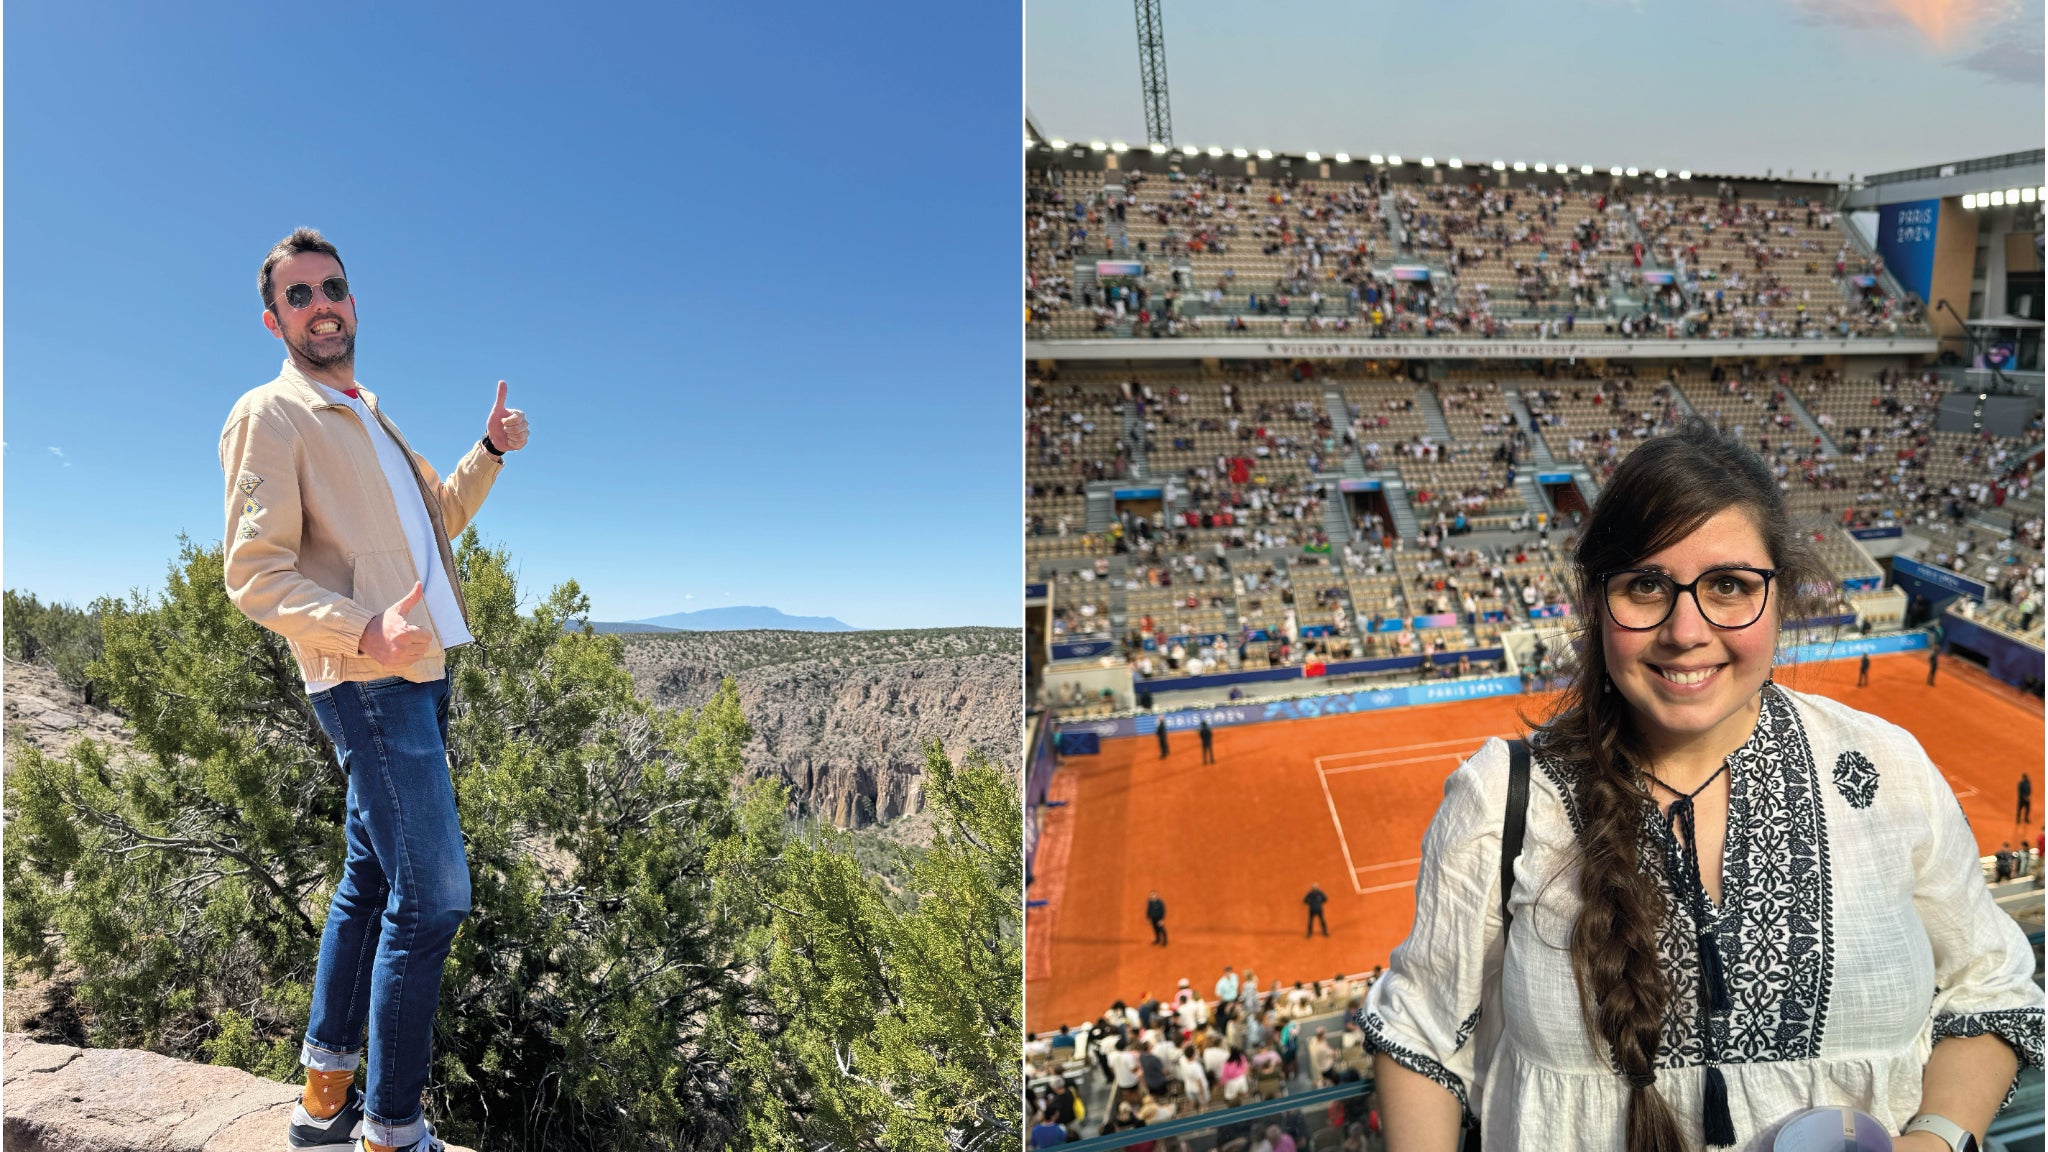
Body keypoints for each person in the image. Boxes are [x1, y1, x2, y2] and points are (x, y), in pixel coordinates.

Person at [1367, 418, 2038, 1152]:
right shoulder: (1501, 797)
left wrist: (1938, 1138)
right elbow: (1419, 1034)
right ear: (1597, 604)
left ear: (1781, 596)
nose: (1686, 630)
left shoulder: (1888, 770)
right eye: (1647, 585)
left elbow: (1991, 984)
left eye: (1728, 586)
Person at [224, 230, 529, 1152]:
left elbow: (438, 525)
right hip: (368, 678)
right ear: (274, 317)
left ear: (353, 303)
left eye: (335, 288)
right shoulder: (272, 416)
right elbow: (253, 571)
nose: (324, 305)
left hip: (420, 672)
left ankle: (323, 1099)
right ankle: (391, 1130)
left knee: (367, 880)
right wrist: (362, 630)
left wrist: (488, 450)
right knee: (434, 898)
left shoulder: (365, 410)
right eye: (301, 294)